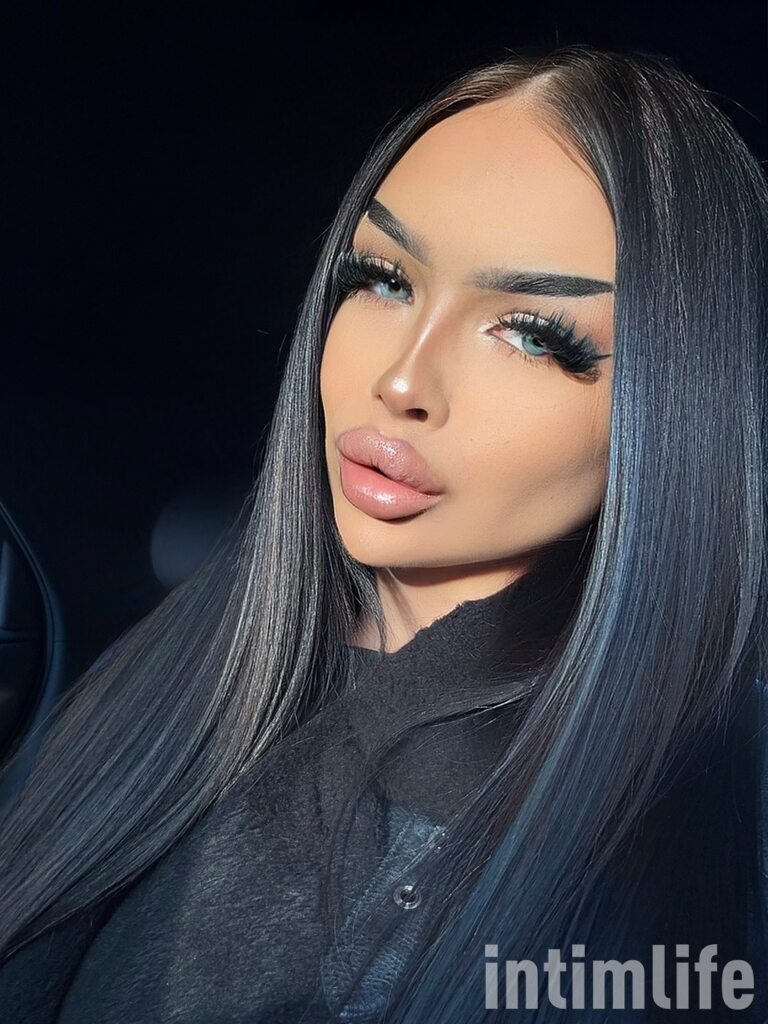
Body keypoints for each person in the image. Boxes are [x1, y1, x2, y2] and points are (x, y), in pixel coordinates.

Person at [0, 43, 767, 1023]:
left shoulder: (667, 849)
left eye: (533, 333)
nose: (403, 378)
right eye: (383, 279)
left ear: (678, 410)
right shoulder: (194, 659)